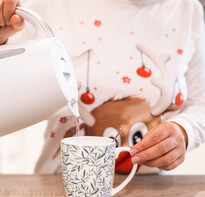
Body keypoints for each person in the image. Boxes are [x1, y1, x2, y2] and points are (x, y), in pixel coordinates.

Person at [1, 0, 205, 174]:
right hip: (58, 191)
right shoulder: (50, 5)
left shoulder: (188, 10)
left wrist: (185, 131)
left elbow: (201, 104)